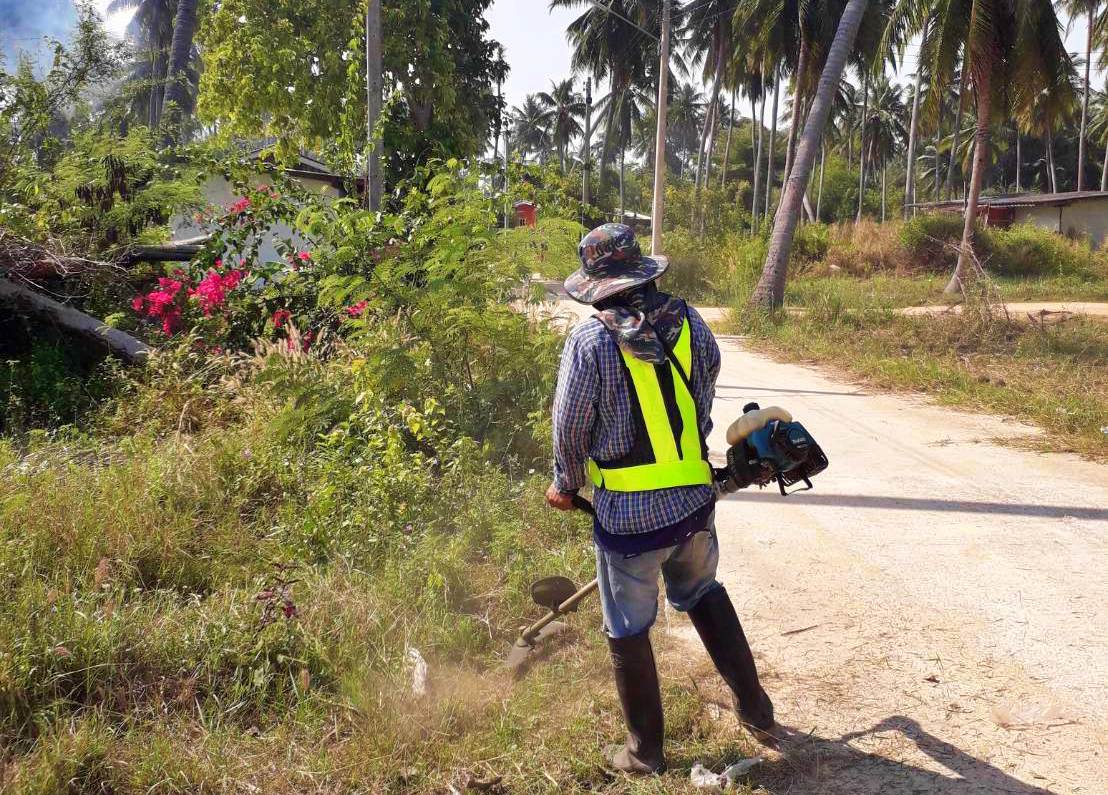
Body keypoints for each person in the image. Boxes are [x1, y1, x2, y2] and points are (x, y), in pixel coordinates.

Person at [546, 223, 775, 775]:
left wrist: (565, 481)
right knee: (702, 591)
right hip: (694, 502)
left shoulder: (591, 340)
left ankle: (644, 752)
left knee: (627, 625)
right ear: (641, 271)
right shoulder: (689, 320)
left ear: (597, 283)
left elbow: (571, 424)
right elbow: (707, 381)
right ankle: (757, 709)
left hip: (628, 521)